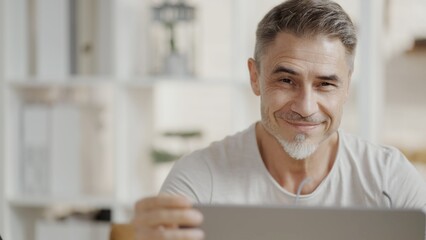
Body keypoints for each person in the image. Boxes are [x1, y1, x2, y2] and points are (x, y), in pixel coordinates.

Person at [133, 0, 426, 239]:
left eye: (325, 84)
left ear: (347, 85)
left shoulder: (390, 178)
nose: (305, 106)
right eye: (286, 80)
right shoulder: (200, 178)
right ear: (255, 77)